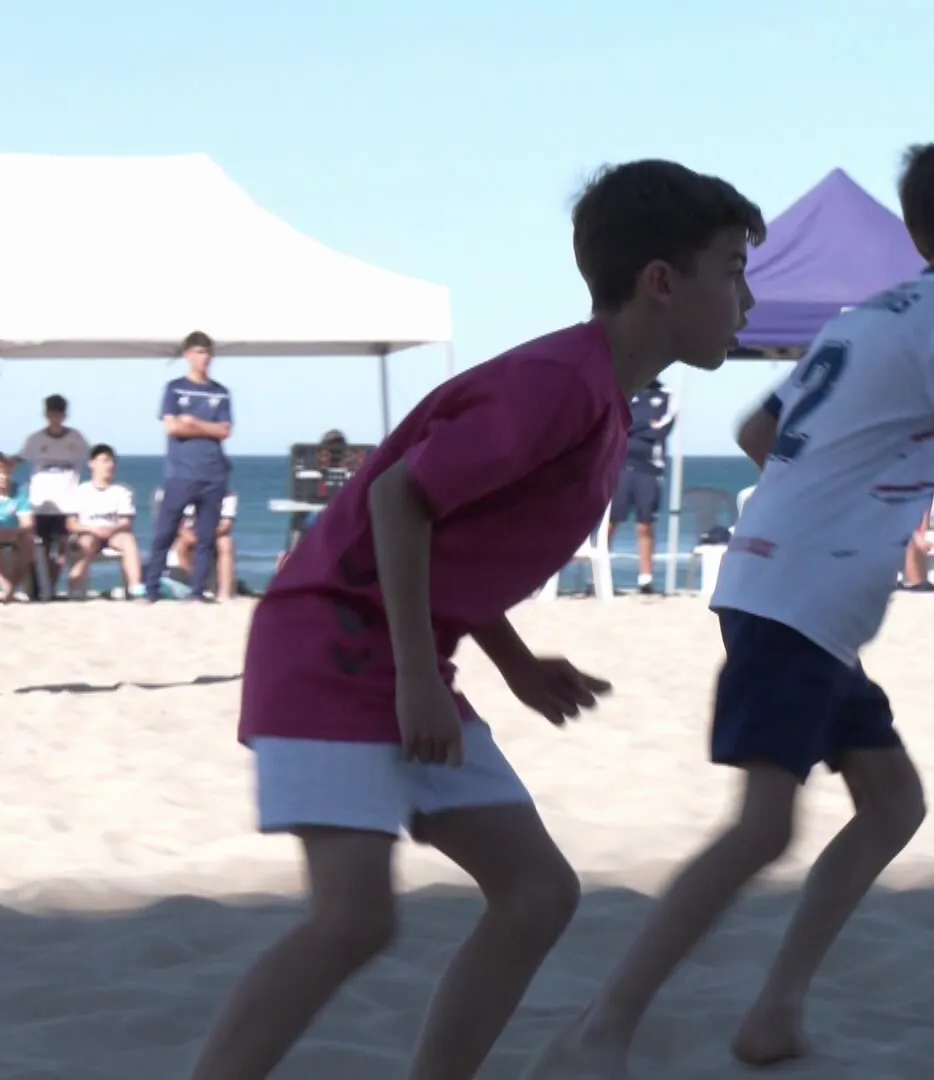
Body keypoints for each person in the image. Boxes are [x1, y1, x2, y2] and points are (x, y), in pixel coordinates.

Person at [522, 140, 934, 1078]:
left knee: (892, 803)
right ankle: (604, 1024)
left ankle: (776, 1011)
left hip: (790, 593)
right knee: (762, 827)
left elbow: (759, 431)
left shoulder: (873, 314)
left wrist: (828, 499)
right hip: (798, 600)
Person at [186, 158, 767, 1080]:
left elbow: (453, 537)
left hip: (403, 650)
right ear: (662, 282)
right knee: (355, 919)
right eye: (733, 267)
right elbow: (399, 503)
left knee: (537, 892)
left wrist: (515, 660)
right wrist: (419, 675)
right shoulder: (557, 385)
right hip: (331, 646)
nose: (746, 294)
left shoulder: (603, 398)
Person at [143, 331, 234, 602]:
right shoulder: (174, 388)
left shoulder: (221, 392)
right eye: (198, 352)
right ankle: (150, 589)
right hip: (180, 474)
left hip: (213, 474)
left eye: (207, 353)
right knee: (165, 533)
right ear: (187, 356)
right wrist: (204, 427)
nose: (203, 358)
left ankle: (198, 591)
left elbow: (225, 430)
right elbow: (172, 426)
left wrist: (193, 423)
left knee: (206, 538)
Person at [11, 393, 90, 596]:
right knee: (39, 549)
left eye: (59, 413)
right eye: (51, 413)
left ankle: (50, 588)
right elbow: (18, 459)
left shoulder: (76, 438)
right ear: (46, 414)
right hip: (40, 504)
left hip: (67, 504)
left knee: (63, 550)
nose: (55, 417)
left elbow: (93, 459)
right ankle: (36, 590)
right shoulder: (35, 439)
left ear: (65, 415)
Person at [613, 378, 676, 594]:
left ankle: (645, 578)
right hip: (619, 467)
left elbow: (662, 429)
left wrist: (634, 427)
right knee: (610, 522)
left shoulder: (668, 394)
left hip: (649, 469)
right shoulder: (625, 390)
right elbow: (617, 423)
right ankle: (597, 577)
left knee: (644, 524)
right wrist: (645, 424)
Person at [63, 444, 144, 599]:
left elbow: (126, 522)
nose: (109, 466)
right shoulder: (80, 491)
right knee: (86, 543)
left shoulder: (121, 492)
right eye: (104, 461)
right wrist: (92, 529)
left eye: (112, 462)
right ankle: (76, 587)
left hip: (113, 534)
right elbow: (71, 523)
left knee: (128, 540)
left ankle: (135, 588)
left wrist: (110, 529)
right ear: (92, 464)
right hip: (88, 532)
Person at [175, 491, 239, 601]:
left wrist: (206, 536)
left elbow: (226, 525)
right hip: (190, 534)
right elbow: (176, 524)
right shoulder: (177, 493)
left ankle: (225, 593)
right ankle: (195, 585)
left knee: (225, 543)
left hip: (213, 534)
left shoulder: (228, 496)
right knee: (182, 543)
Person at [0, 458, 32, 601]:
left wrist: (14, 532)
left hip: (14, 533)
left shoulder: (19, 492)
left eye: (5, 471)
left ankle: (11, 588)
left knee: (28, 542)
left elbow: (28, 522)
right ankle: (8, 590)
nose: (3, 476)